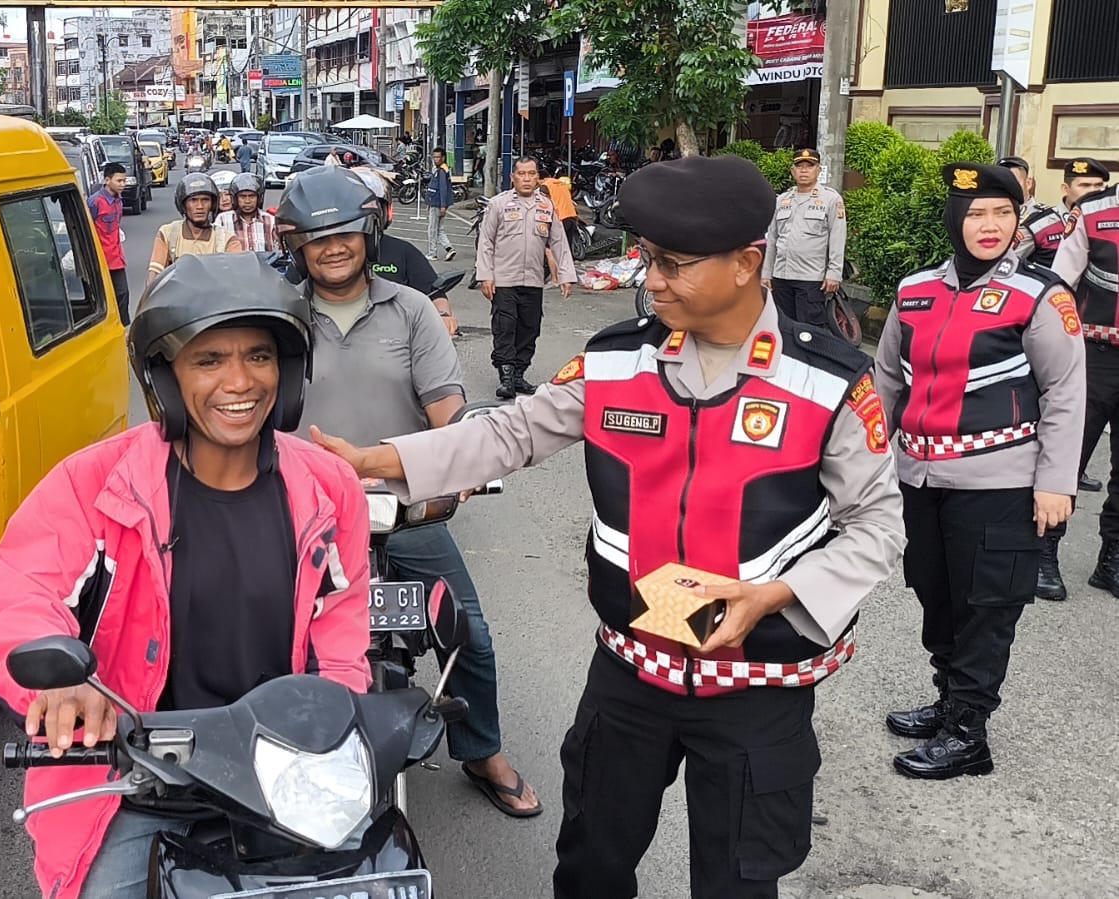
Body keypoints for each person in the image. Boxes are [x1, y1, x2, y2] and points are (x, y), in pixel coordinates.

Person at [310, 154, 904, 898]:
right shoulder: (616, 362)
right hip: (628, 676)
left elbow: (875, 523)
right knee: (591, 863)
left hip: (758, 687)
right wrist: (378, 457)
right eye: (648, 259)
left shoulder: (827, 381)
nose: (651, 281)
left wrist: (779, 593)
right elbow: (509, 434)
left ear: (748, 263)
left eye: (674, 264)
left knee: (737, 880)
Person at [0, 253, 372, 899]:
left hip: (288, 775)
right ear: (165, 376)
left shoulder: (329, 489)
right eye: (208, 359)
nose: (239, 381)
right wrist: (69, 688)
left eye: (259, 356)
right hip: (135, 779)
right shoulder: (95, 484)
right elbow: (16, 593)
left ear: (288, 370)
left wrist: (345, 720)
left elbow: (343, 628)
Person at [274, 164, 539, 817]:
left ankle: (481, 750)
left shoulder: (412, 308)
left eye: (343, 233)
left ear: (366, 232)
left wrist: (469, 461)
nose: (333, 247)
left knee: (467, 632)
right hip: (305, 513)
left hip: (407, 505)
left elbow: (447, 405)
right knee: (274, 630)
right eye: (316, 238)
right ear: (297, 247)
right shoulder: (278, 315)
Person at [875, 162, 1083, 777]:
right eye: (975, 213)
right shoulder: (915, 290)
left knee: (987, 606)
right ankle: (948, 701)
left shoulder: (1040, 295)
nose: (990, 225)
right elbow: (886, 379)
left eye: (1002, 212)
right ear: (953, 220)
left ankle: (970, 732)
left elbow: (1067, 392)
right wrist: (867, 463)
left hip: (1001, 482)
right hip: (920, 477)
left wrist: (1055, 483)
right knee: (935, 595)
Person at [1045, 158, 1119, 597]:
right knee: (1068, 455)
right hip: (1094, 355)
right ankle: (1045, 551)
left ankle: (1111, 559)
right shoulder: (1093, 213)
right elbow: (1058, 288)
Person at [285, 166, 462, 339]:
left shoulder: (404, 255)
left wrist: (443, 317)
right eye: (319, 239)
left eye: (347, 234)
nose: (335, 250)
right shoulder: (308, 268)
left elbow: (434, 293)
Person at [476, 156, 576, 400]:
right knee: (505, 327)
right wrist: (485, 275)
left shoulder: (546, 206)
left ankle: (519, 374)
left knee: (529, 328)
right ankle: (506, 376)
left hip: (533, 280)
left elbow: (559, 242)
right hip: (504, 280)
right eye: (522, 174)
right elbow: (486, 242)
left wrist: (565, 275)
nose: (527, 178)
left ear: (537, 177)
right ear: (513, 177)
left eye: (532, 174)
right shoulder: (499, 205)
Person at [762, 148, 847, 334]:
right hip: (781, 276)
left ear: (818, 170)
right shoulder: (782, 200)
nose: (804, 170)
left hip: (810, 277)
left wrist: (834, 273)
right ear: (793, 171)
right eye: (799, 166)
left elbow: (837, 237)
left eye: (809, 166)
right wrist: (766, 273)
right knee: (783, 328)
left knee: (810, 331)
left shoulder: (830, 199)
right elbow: (773, 238)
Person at [148, 173, 243, 283]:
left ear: (212, 204)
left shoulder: (227, 239)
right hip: (177, 298)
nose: (200, 206)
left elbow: (236, 278)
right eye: (193, 200)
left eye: (205, 200)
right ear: (183, 205)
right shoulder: (168, 233)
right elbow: (155, 273)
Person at [999, 156, 1066, 269]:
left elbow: (1001, 262)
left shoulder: (1044, 219)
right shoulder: (992, 214)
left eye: (1013, 182)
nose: (1007, 188)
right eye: (1000, 183)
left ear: (1028, 183)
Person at [89, 162, 131, 326]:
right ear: (107, 180)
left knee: (123, 294)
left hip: (116, 258)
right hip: (100, 261)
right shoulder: (95, 202)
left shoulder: (118, 202)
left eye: (124, 181)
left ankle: (122, 329)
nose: (123, 184)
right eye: (119, 181)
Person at [213, 172, 278, 252]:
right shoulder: (223, 220)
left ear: (259, 198)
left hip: (264, 264)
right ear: (235, 198)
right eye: (242, 197)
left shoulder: (270, 221)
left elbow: (278, 251)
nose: (247, 201)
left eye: (252, 196)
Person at [426, 148, 457, 262]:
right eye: (434, 157)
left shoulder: (441, 171)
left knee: (432, 230)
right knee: (440, 229)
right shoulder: (440, 169)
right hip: (436, 203)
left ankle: (432, 253)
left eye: (438, 157)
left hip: (438, 203)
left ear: (443, 158)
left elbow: (443, 189)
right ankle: (449, 248)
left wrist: (443, 205)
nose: (436, 159)